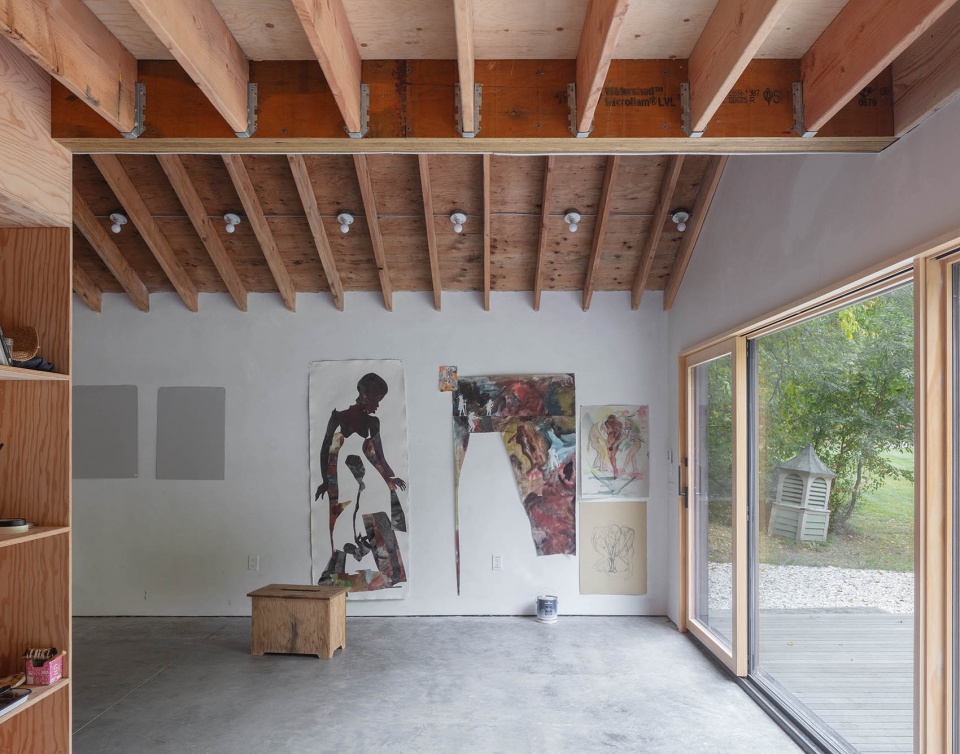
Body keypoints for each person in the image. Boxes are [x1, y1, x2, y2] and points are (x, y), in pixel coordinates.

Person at [315, 373, 407, 559]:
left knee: (379, 503)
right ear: (366, 396)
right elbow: (325, 450)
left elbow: (379, 455)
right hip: (345, 474)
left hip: (366, 475)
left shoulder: (373, 422)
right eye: (377, 400)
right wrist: (325, 480)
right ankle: (353, 549)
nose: (378, 405)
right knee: (349, 512)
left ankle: (374, 549)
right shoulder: (338, 417)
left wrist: (390, 477)